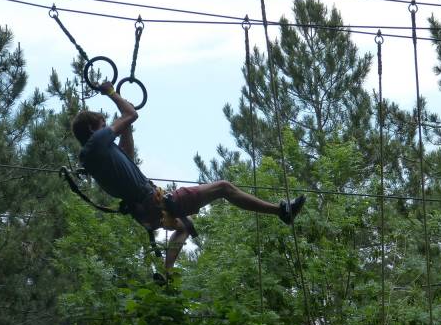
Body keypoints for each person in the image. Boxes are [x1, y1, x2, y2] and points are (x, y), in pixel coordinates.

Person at [71, 81, 306, 273]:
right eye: (103, 124)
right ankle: (280, 212)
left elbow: (128, 156)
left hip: (144, 211)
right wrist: (111, 92)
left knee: (184, 227)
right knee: (223, 187)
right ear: (93, 130)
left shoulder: (91, 156)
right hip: (153, 200)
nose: (107, 127)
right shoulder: (98, 141)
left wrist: (127, 129)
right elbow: (131, 114)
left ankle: (166, 273)